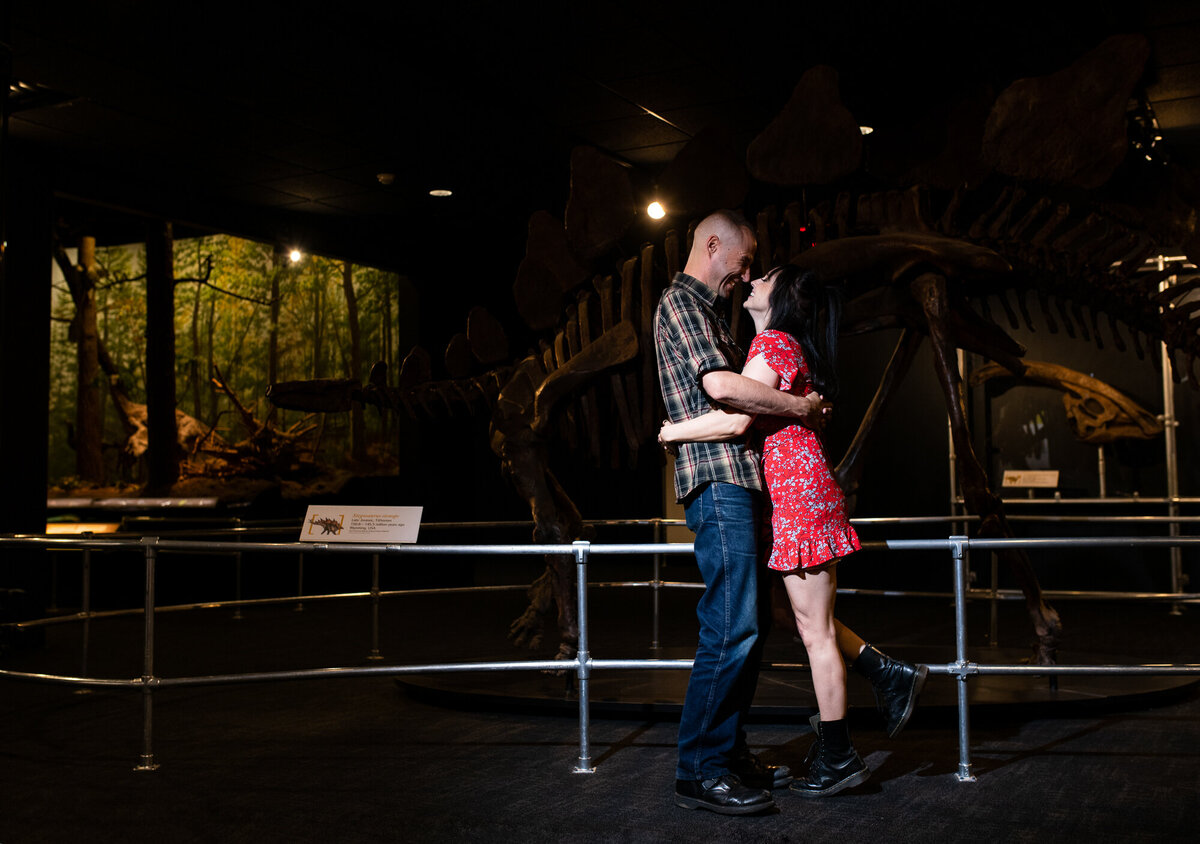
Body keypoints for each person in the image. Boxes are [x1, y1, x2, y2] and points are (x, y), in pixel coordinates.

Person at [659, 264, 928, 798]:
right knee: (789, 615)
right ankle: (887, 673)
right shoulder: (773, 343)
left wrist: (674, 429)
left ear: (780, 299)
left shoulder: (775, 342)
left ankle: (838, 755)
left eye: (765, 278)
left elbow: (734, 416)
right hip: (790, 497)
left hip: (799, 495)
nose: (753, 279)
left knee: (815, 632)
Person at [654, 211, 831, 816]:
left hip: (742, 483)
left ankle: (725, 754)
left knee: (748, 630)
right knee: (731, 625)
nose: (746, 274)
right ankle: (698, 770)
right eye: (744, 261)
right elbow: (725, 392)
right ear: (712, 245)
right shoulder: (681, 304)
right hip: (719, 480)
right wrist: (802, 408)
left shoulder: (707, 313)